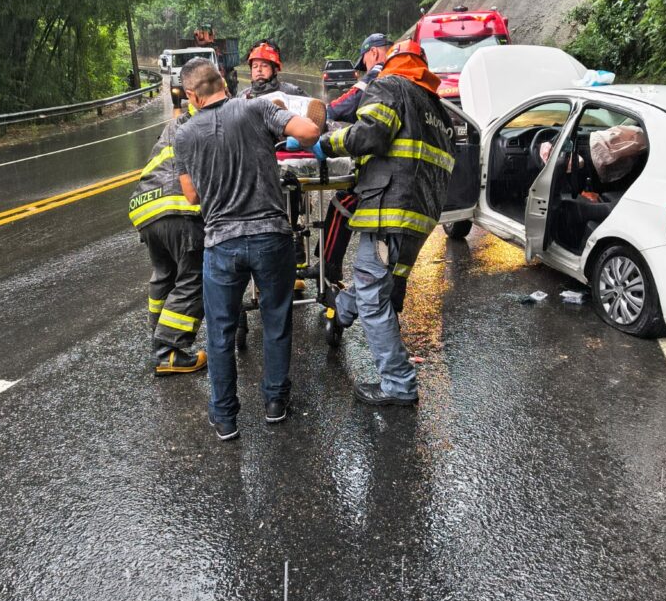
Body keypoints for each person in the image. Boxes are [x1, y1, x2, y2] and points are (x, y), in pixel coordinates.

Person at [174, 57, 321, 441]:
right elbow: (308, 133)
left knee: (220, 332)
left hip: (221, 244)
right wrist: (284, 113)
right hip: (271, 237)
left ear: (192, 96)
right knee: (275, 321)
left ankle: (225, 418)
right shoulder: (257, 107)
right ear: (224, 80)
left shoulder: (185, 134)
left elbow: (191, 194)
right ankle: (275, 403)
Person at [319, 39, 455, 407]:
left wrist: (328, 143)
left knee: (374, 295)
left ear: (391, 62)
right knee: (375, 282)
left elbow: (371, 134)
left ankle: (398, 384)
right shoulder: (440, 112)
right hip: (421, 217)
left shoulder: (390, 86)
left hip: (388, 210)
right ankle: (341, 312)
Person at [128, 105, 206, 375]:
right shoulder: (208, 125)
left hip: (145, 208)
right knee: (196, 277)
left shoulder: (174, 125)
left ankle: (157, 336)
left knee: (165, 273)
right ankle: (168, 351)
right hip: (179, 209)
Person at [317, 33, 392, 282]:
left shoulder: (381, 70)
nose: (364, 70)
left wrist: (321, 119)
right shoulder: (406, 73)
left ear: (373, 53)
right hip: (413, 173)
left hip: (388, 174)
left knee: (341, 203)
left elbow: (347, 105)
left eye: (364, 64)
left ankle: (327, 270)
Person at [326, 32, 391, 122]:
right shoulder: (403, 67)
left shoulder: (379, 70)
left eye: (365, 63)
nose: (367, 71)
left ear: (374, 52)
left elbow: (348, 103)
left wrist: (328, 111)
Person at [240, 40, 306, 98]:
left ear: (275, 70)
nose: (259, 69)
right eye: (255, 66)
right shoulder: (243, 97)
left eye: (264, 65)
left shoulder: (292, 92)